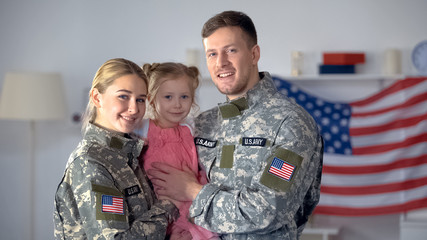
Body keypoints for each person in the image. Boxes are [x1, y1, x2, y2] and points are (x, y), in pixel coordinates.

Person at [147, 11, 324, 240]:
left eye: (231, 50)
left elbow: (267, 212)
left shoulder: (290, 123)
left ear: (254, 54)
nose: (221, 63)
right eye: (212, 54)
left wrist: (192, 190)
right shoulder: (201, 123)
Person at [53, 58, 179, 239]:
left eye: (140, 99)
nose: (134, 108)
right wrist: (168, 205)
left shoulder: (132, 155)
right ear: (97, 98)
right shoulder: (91, 163)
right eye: (123, 96)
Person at [135, 62, 218, 240]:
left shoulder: (189, 129)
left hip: (191, 204)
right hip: (162, 207)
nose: (177, 104)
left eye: (184, 97)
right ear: (151, 98)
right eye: (168, 97)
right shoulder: (143, 128)